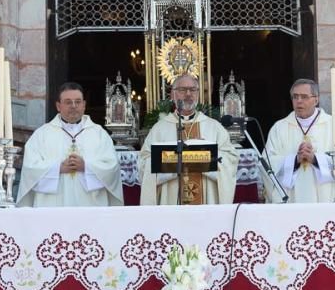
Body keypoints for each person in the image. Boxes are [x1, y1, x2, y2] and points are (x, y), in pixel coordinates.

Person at [16, 82, 123, 207]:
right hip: (52, 208)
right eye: (68, 102)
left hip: (90, 207)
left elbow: (112, 167)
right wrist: (58, 168)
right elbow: (30, 168)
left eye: (78, 102)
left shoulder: (99, 134)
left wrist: (86, 167)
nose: (73, 106)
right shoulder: (42, 134)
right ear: (58, 106)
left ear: (84, 105)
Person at [140, 74, 238, 205]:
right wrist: (174, 168)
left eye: (193, 90)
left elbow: (230, 161)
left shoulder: (214, 127)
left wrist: (204, 159)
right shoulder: (159, 129)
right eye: (182, 90)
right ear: (173, 94)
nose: (188, 94)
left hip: (206, 206)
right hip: (171, 204)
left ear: (198, 94)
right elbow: (143, 165)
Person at [264, 79, 335, 203]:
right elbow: (267, 164)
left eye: (304, 97)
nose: (299, 101)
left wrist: (316, 159)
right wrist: (294, 160)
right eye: (295, 97)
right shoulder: (279, 128)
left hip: (324, 198)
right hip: (291, 199)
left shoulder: (333, 126)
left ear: (316, 99)